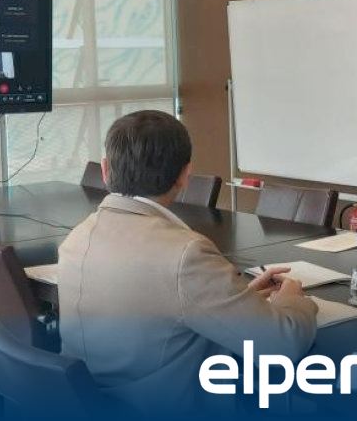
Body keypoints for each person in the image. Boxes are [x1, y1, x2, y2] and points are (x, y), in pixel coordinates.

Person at [58, 111, 317, 413]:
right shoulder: (185, 253)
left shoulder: (77, 237)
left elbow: (163, 302)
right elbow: (281, 347)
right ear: (184, 175)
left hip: (91, 406)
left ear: (105, 169)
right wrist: (292, 300)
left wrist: (237, 298)